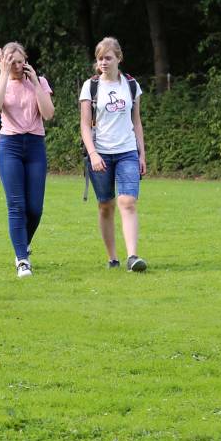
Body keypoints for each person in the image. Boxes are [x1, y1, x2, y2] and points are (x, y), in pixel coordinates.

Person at [80, 36, 148, 272]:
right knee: (105, 205)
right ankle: (113, 257)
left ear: (119, 58)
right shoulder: (91, 87)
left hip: (127, 151)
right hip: (101, 154)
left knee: (127, 201)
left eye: (108, 58)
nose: (103, 62)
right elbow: (85, 125)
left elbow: (136, 122)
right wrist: (93, 153)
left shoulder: (131, 85)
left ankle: (132, 257)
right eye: (100, 58)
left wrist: (142, 154)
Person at [0, 42, 55, 278]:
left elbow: (48, 114)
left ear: (26, 60)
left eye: (19, 61)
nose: (16, 66)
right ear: (2, 62)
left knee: (35, 208)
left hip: (35, 145)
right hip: (10, 146)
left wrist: (36, 82)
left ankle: (22, 244)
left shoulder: (39, 82)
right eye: (10, 61)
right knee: (16, 205)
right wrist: (4, 73)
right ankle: (22, 259)